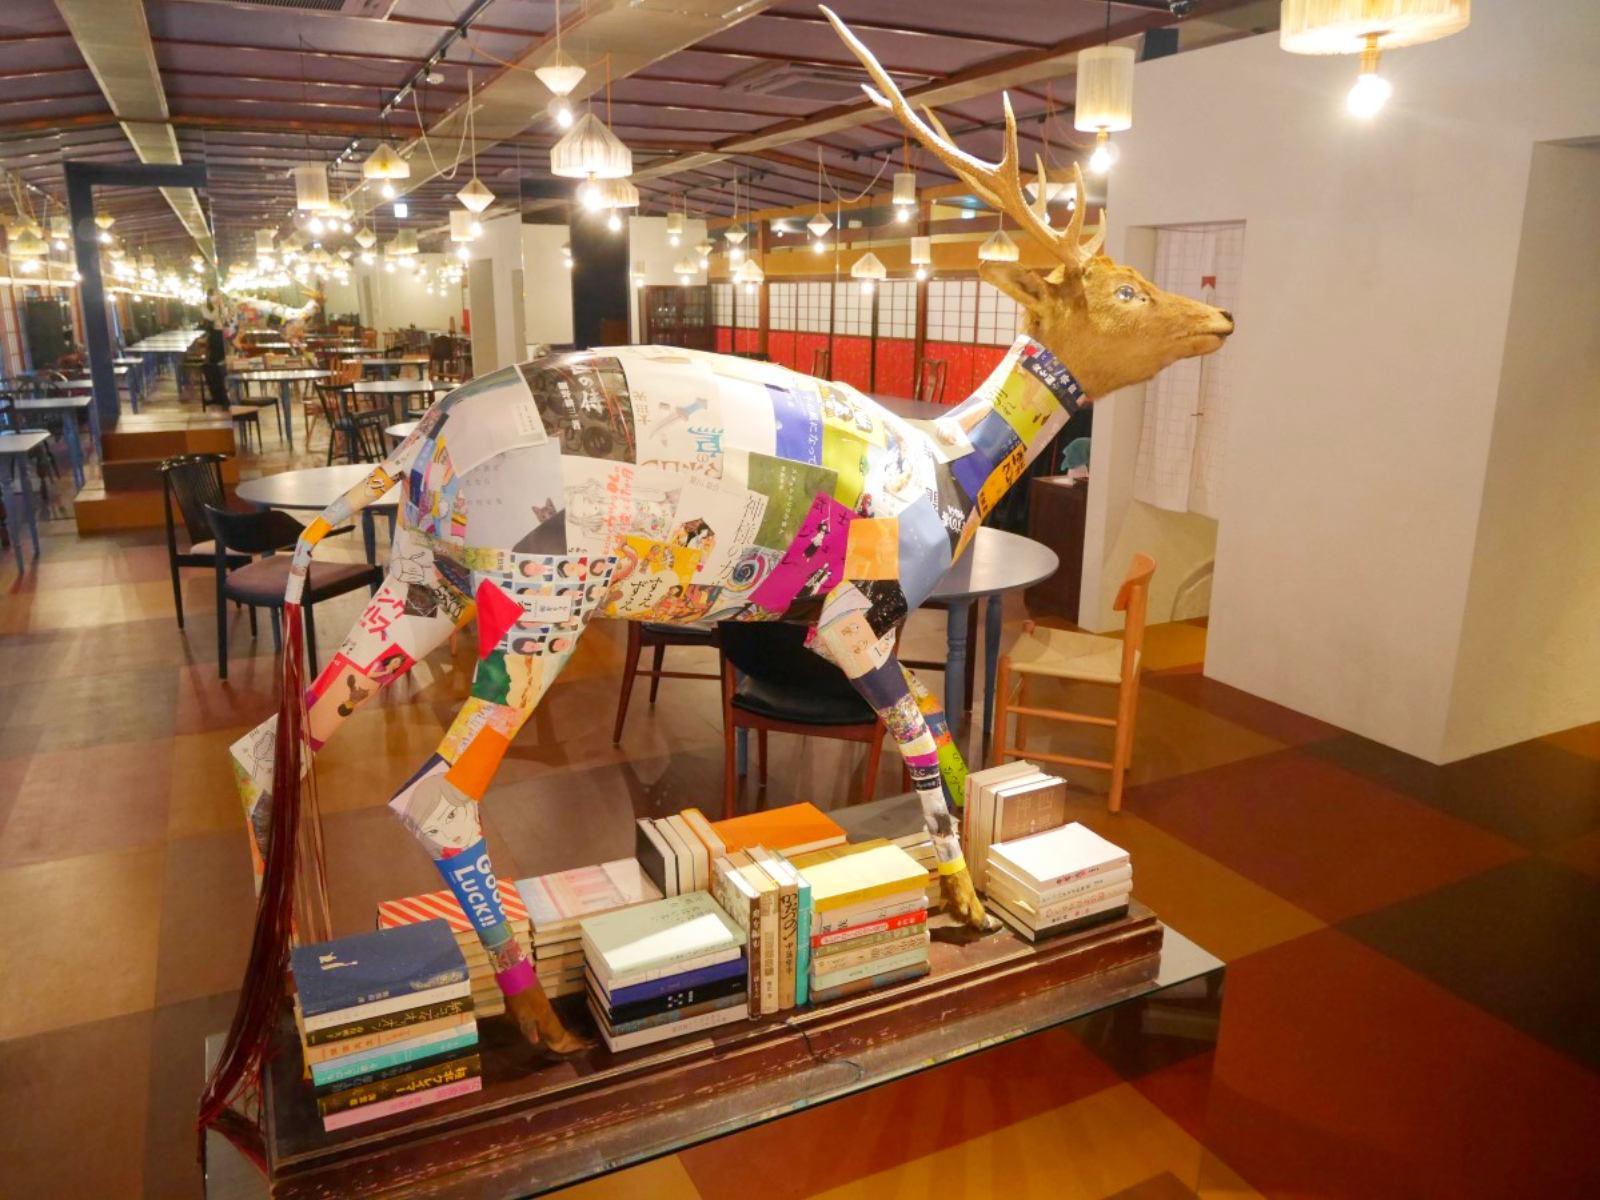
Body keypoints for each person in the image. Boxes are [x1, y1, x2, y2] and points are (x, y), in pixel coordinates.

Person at [198, 288, 231, 409]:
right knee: (216, 362)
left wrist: (222, 306)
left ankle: (226, 392)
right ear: (209, 296)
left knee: (224, 361)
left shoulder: (221, 305)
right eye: (214, 295)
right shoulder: (204, 307)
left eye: (218, 294)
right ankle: (219, 395)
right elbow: (211, 318)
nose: (217, 297)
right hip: (214, 335)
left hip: (223, 335)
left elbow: (226, 318)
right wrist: (216, 307)